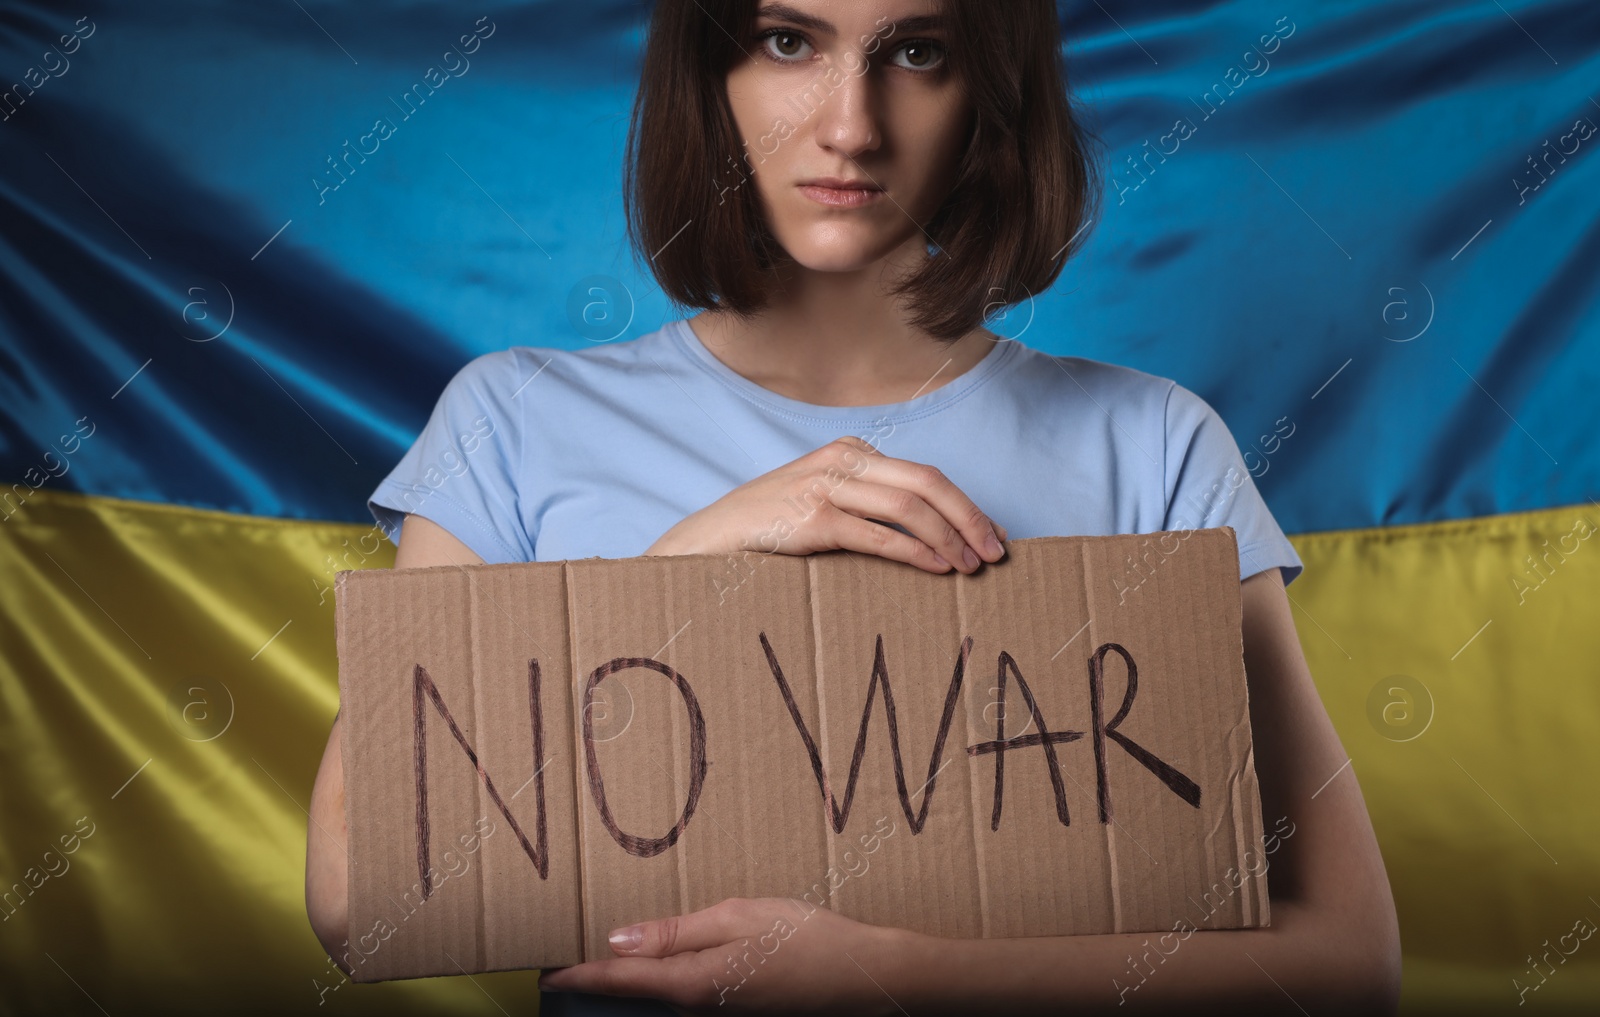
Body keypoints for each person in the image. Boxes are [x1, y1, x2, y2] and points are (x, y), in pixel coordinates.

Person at [306, 0, 1402, 1013]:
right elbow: (361, 902)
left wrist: (890, 973)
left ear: (989, 89)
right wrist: (687, 566)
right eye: (788, 41)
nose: (850, 126)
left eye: (917, 52)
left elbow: (1347, 960)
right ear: (709, 73)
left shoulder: (1151, 441)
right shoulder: (516, 417)